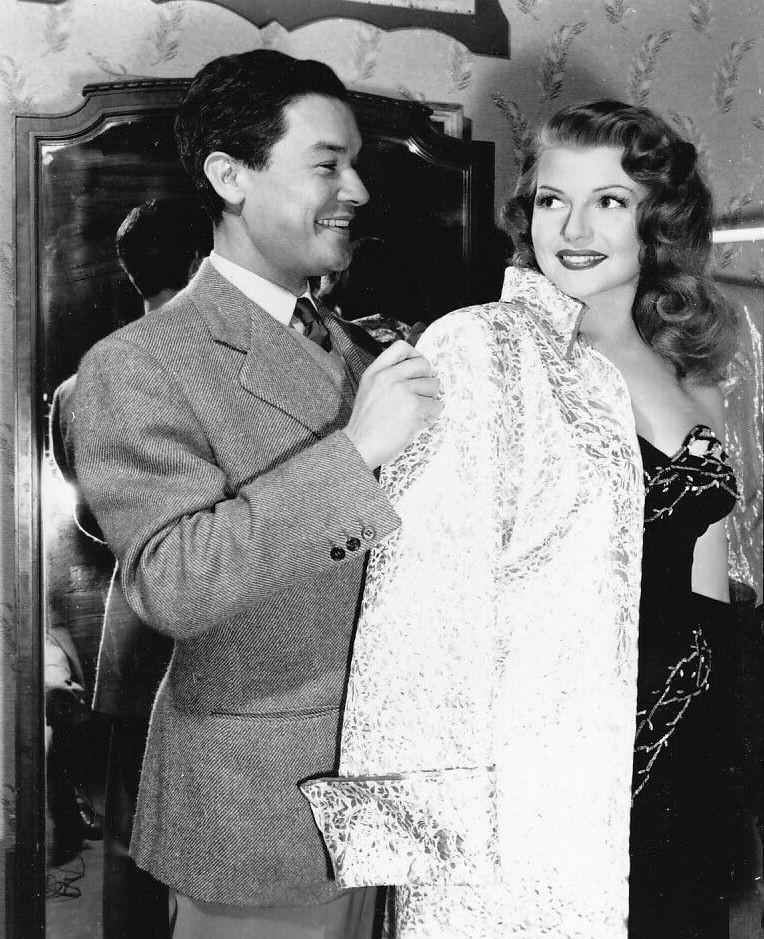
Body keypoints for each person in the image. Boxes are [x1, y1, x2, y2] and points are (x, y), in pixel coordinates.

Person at [302, 100, 748, 938]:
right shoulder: (480, 349)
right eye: (552, 199)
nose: (573, 228)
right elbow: (418, 596)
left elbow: (711, 599)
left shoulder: (695, 378)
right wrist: (424, 821)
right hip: (540, 775)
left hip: (683, 759)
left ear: (658, 217)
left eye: (609, 200)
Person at [72, 49, 441, 939]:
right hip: (259, 813)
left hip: (383, 790)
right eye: (327, 164)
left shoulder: (358, 348)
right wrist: (357, 452)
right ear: (229, 176)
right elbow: (172, 580)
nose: (357, 190)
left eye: (356, 164)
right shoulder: (138, 363)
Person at [50, 197, 212, 937]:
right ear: (203, 262)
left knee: (131, 844)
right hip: (221, 629)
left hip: (135, 633)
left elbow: (89, 519)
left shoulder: (78, 388)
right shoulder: (224, 367)